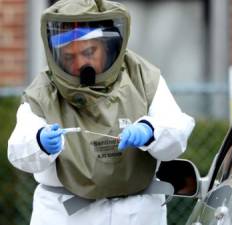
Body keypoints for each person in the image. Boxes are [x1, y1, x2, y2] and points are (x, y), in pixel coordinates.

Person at [7, 0, 195, 225]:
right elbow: (19, 149)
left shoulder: (142, 77)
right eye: (69, 57)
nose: (80, 64)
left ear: (107, 46)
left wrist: (151, 131)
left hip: (136, 214)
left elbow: (176, 133)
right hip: (67, 215)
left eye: (88, 52)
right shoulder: (44, 91)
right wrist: (39, 142)